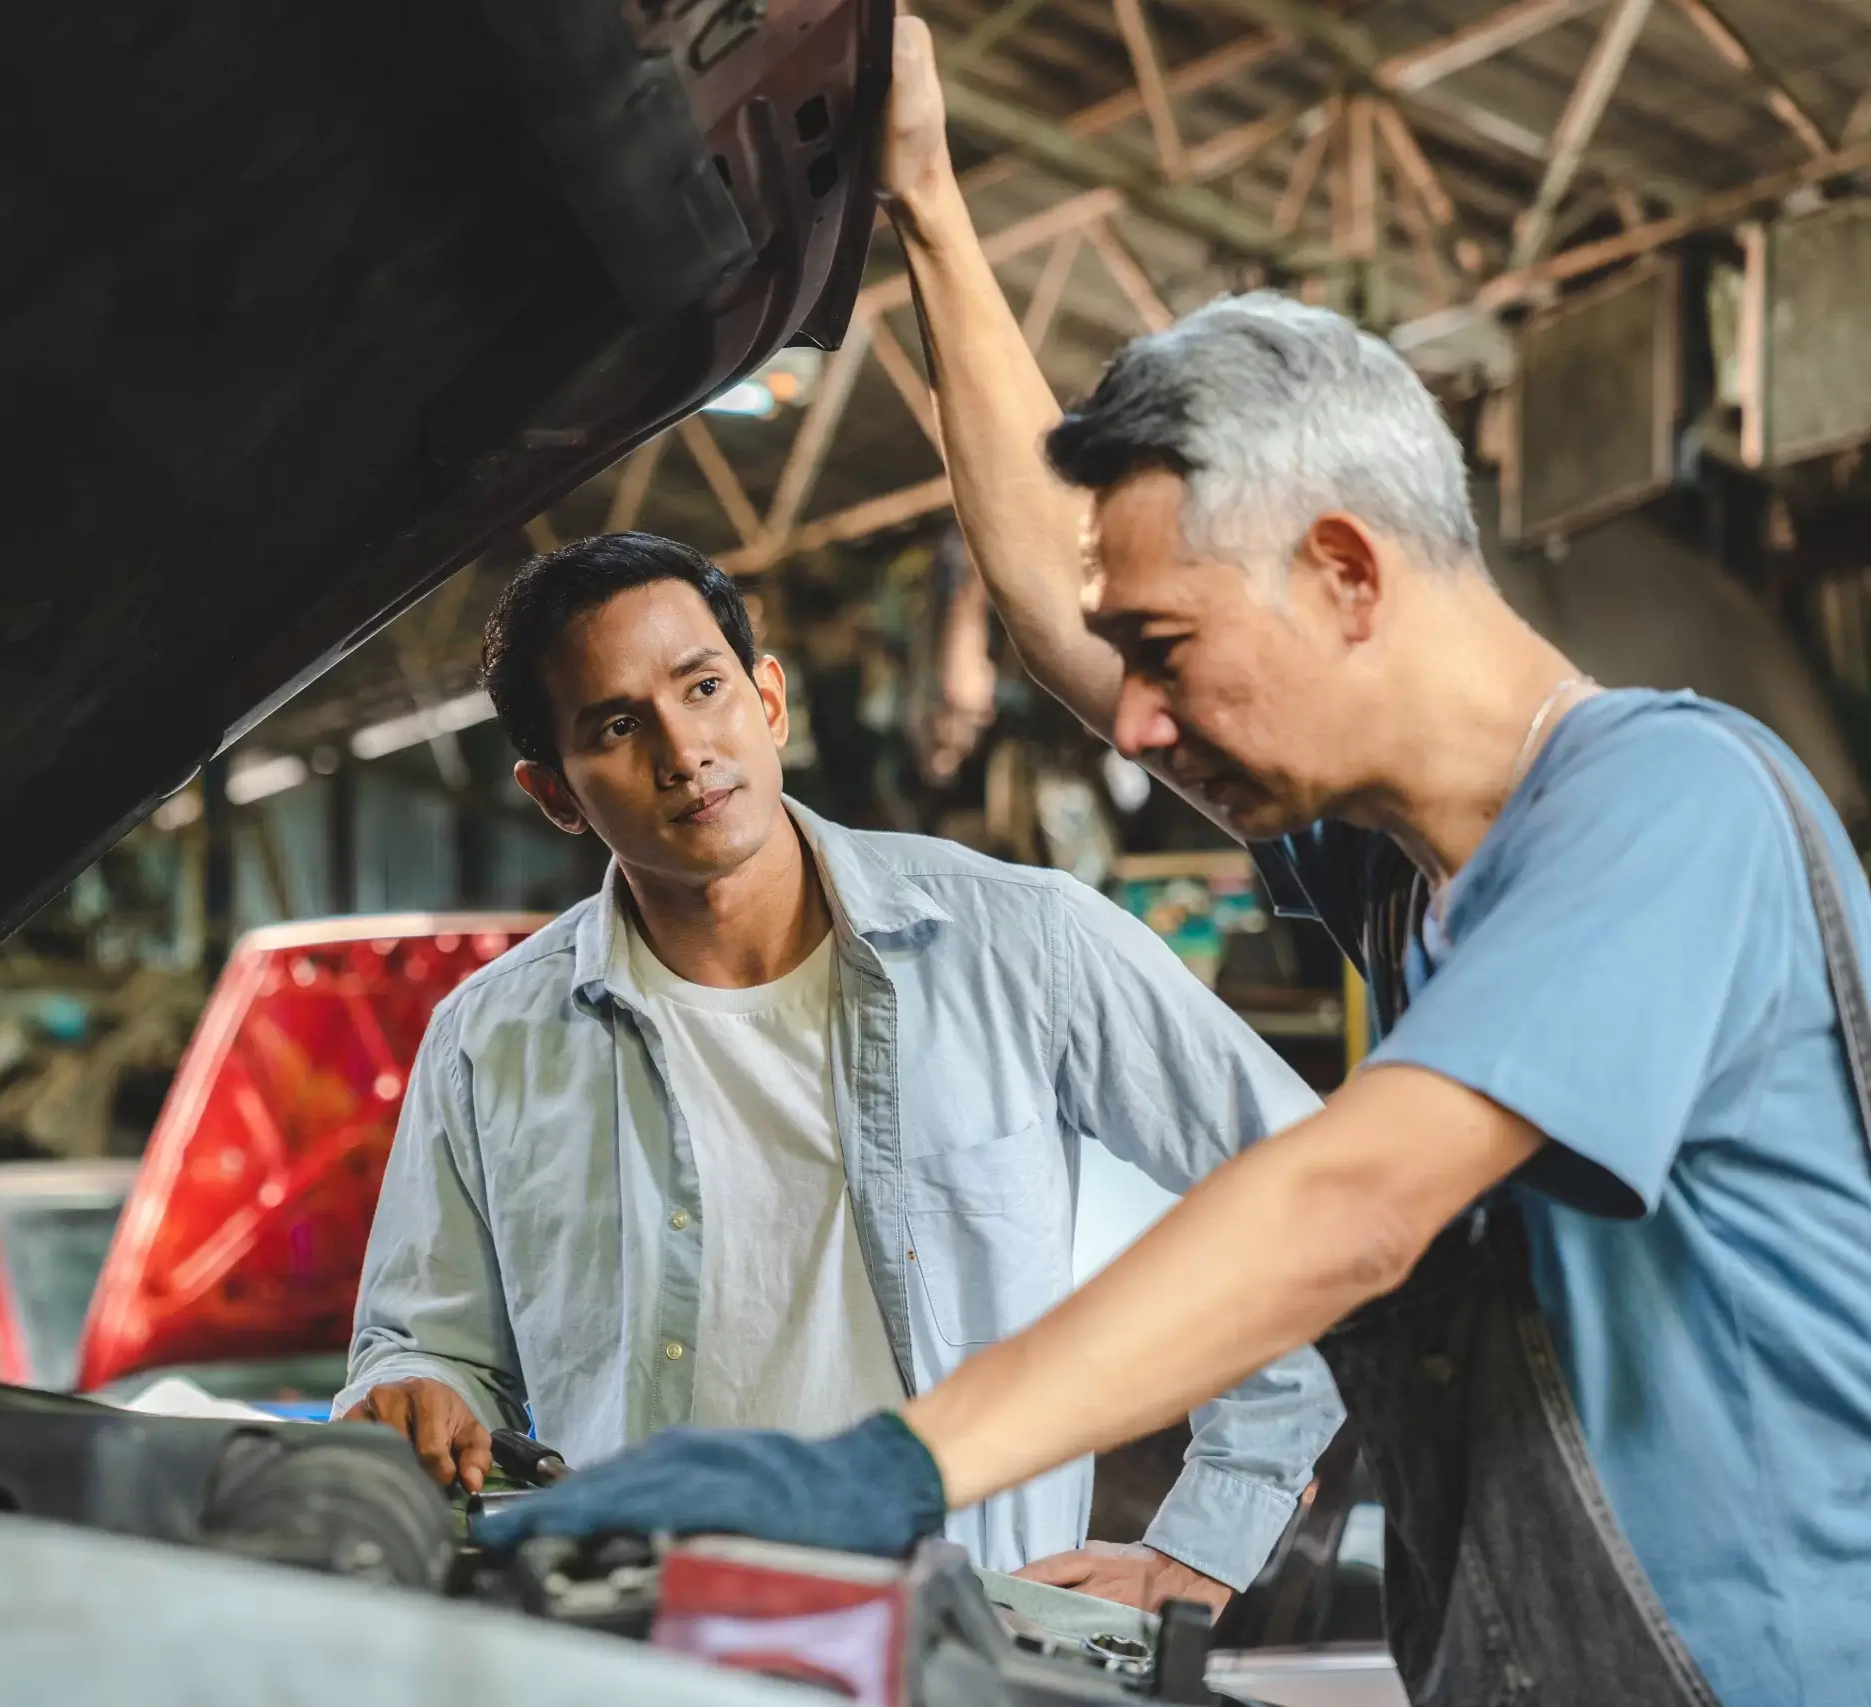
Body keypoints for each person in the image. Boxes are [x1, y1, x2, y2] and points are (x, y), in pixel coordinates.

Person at [479, 20, 1871, 1707]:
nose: (1131, 728)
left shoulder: (1673, 807)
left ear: (1346, 573)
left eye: (1170, 651)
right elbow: (1054, 614)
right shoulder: (1407, 865)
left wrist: (892, 1468)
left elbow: (1356, 1204)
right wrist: (921, 195)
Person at [335, 529, 1342, 1605]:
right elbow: (422, 1344)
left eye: (704, 687)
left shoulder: (1020, 946)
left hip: (954, 1648)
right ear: (554, 793)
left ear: (768, 700)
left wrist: (1201, 1546)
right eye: (619, 726)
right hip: (645, 1653)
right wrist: (412, 1387)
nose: (684, 752)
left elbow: (1312, 1199)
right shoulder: (492, 1042)